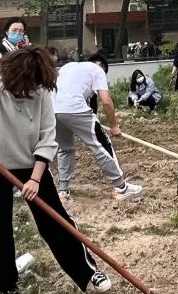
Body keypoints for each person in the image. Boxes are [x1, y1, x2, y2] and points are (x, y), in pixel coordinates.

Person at [0, 46, 112, 294]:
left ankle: (88, 272)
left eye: (34, 88)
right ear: (12, 77)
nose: (29, 93)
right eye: (25, 88)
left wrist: (35, 179)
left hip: (31, 165)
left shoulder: (41, 92)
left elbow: (47, 138)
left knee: (56, 222)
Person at [54, 53, 144, 202]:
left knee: (65, 149)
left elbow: (80, 96)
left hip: (54, 110)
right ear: (102, 66)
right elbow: (106, 101)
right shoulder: (98, 70)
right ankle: (121, 188)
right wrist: (114, 126)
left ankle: (63, 191)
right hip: (75, 108)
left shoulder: (68, 67)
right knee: (102, 145)